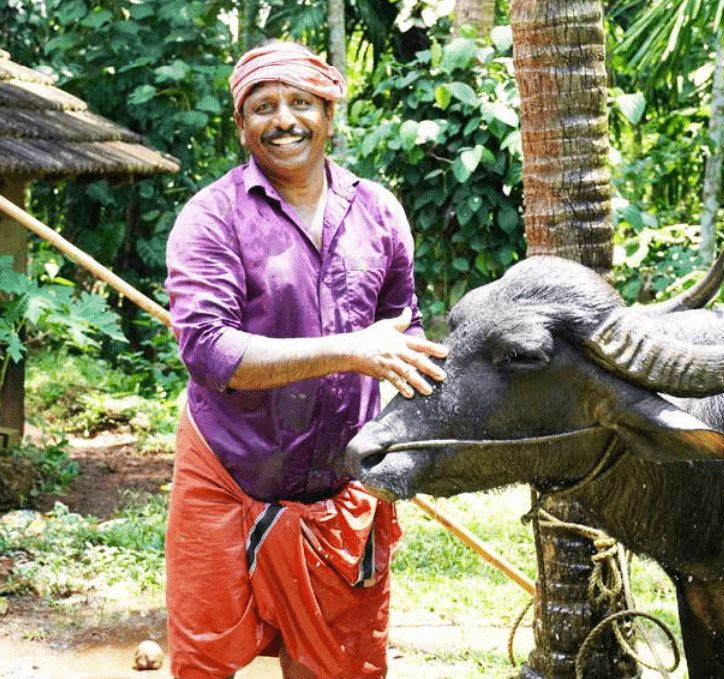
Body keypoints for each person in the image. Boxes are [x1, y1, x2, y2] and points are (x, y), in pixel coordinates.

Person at [164, 40, 448, 679]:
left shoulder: (377, 212)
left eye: (300, 103)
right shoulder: (212, 218)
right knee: (205, 658)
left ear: (327, 113)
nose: (283, 119)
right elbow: (210, 350)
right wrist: (351, 349)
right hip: (229, 469)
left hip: (341, 480)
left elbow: (407, 332)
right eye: (263, 106)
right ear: (242, 126)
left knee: (338, 664)